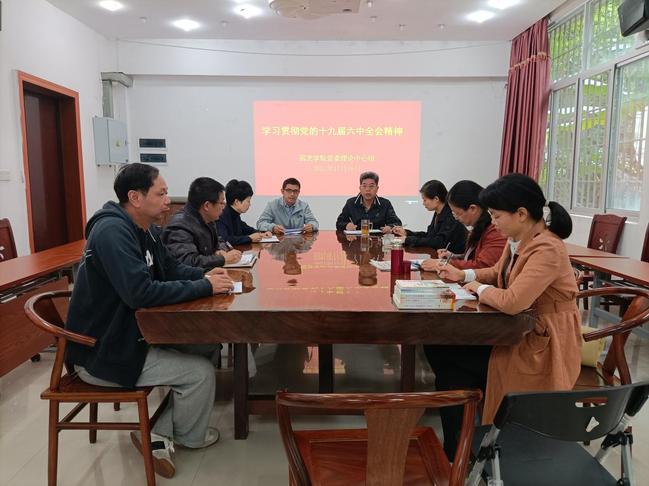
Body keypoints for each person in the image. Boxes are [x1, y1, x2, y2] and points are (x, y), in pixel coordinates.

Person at [65, 163, 235, 478]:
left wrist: (204, 274)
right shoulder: (112, 232)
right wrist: (204, 287)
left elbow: (170, 269)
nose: (168, 200)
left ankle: (157, 432)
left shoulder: (146, 230)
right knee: (199, 373)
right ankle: (185, 436)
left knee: (207, 345)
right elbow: (139, 293)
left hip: (132, 334)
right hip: (103, 351)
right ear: (135, 197)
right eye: (161, 193)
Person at [425, 173, 582, 459]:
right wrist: (463, 275)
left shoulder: (547, 248)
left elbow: (513, 302)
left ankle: (463, 451)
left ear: (521, 214)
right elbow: (497, 273)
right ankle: (463, 448)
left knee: (448, 364)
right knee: (441, 352)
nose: (493, 223)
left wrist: (477, 287)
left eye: (497, 216)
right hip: (519, 330)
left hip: (543, 343)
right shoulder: (520, 240)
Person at [420, 180, 506, 272]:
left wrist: (443, 263)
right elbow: (472, 257)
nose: (456, 217)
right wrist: (453, 256)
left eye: (457, 213)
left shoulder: (494, 230)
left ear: (472, 209)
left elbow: (483, 266)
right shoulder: (478, 227)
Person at [162, 177, 241, 270]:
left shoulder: (208, 219)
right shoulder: (179, 227)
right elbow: (187, 261)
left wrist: (219, 250)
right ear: (207, 205)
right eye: (221, 203)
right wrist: (222, 259)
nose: (224, 207)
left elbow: (219, 240)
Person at [392, 180, 466, 252]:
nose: (423, 203)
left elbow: (439, 242)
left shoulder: (451, 215)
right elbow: (429, 236)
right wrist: (407, 233)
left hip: (453, 258)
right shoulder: (438, 213)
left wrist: (408, 240)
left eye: (425, 200)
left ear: (436, 199)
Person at [335, 171, 402, 233]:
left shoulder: (385, 204)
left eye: (371, 186)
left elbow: (397, 223)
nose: (367, 189)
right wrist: (346, 225)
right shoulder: (351, 203)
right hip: (356, 240)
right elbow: (339, 223)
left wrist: (390, 227)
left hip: (377, 240)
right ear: (360, 188)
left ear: (377, 188)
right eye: (364, 186)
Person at [217, 179, 272, 245]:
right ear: (237, 202)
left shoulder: (235, 214)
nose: (250, 204)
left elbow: (245, 229)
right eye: (248, 201)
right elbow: (225, 240)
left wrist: (261, 233)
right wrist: (249, 238)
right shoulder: (221, 215)